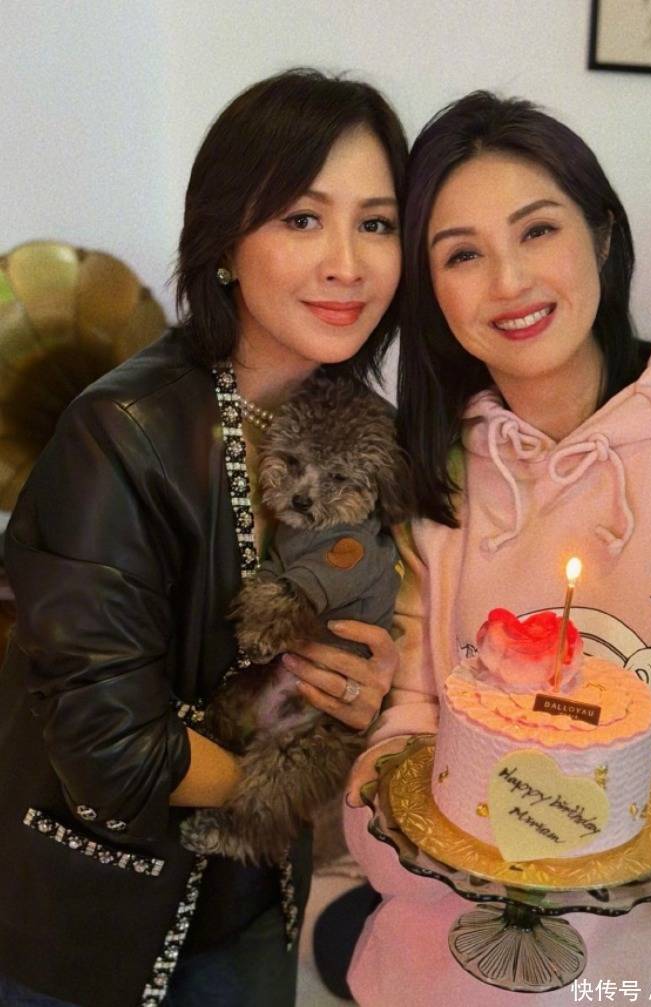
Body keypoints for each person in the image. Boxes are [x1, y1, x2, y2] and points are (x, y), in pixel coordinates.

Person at [343, 91, 651, 1006]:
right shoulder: (432, 474)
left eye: (537, 231)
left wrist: (639, 807)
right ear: (431, 290)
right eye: (462, 254)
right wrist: (412, 799)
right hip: (444, 972)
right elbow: (404, 717)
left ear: (603, 235)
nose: (508, 281)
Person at [0, 68, 407, 1007]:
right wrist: (287, 780)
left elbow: (323, 656)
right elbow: (113, 750)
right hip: (87, 920)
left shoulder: (353, 425)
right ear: (225, 239)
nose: (347, 263)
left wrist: (363, 686)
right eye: (302, 219)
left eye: (377, 223)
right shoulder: (120, 433)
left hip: (252, 896)